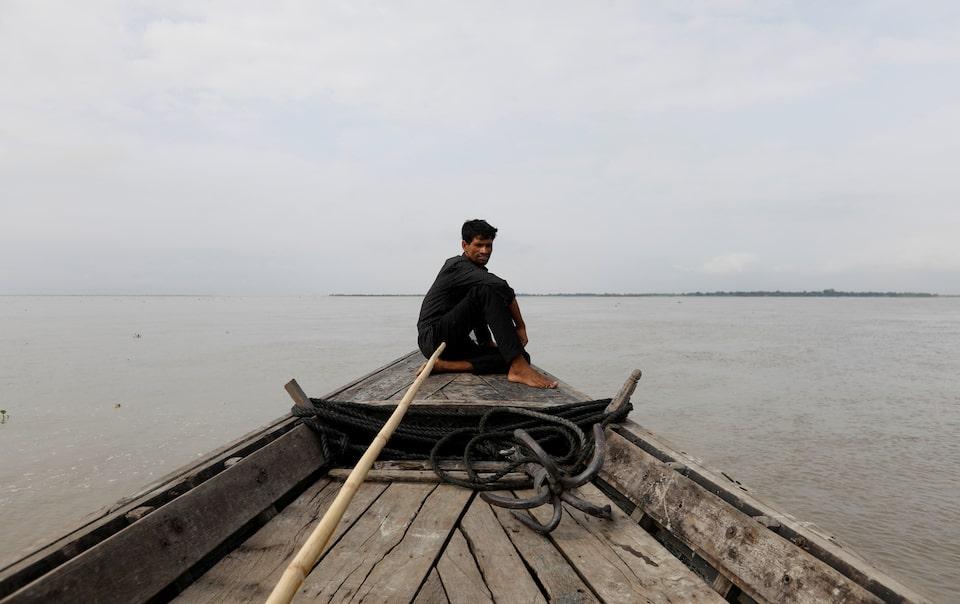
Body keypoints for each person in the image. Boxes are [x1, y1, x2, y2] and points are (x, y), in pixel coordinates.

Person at [417, 219, 557, 389]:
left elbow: (475, 310)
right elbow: (501, 286)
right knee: (487, 289)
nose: (485, 251)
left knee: (521, 356)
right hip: (433, 339)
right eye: (479, 245)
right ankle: (519, 368)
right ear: (464, 245)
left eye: (489, 245)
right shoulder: (456, 266)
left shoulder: (476, 273)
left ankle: (445, 366)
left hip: (455, 344)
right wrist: (520, 326)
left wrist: (487, 343)